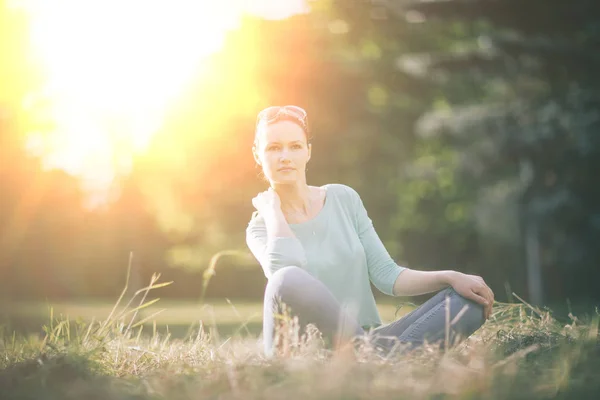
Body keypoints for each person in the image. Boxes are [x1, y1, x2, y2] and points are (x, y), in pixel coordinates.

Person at [246, 105, 494, 357]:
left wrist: (451, 277)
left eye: (295, 146)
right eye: (273, 148)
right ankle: (377, 360)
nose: (285, 156)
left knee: (470, 301)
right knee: (286, 278)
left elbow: (387, 275)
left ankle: (372, 360)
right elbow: (286, 271)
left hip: (369, 341)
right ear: (258, 155)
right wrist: (273, 211)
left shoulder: (344, 198)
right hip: (306, 354)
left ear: (308, 152)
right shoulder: (260, 228)